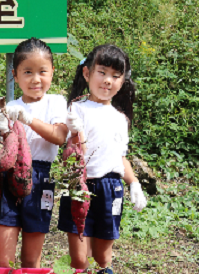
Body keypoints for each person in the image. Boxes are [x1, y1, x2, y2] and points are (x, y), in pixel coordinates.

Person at [58, 44, 148, 274]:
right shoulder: (76, 109)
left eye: (115, 76)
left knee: (102, 255)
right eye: (102, 72)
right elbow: (74, 152)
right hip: (80, 185)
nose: (108, 80)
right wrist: (76, 133)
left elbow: (120, 157)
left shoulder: (120, 119)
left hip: (111, 187)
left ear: (122, 82)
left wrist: (134, 184)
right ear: (87, 73)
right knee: (79, 257)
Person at [0, 38, 68, 268]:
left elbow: (59, 136)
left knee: (31, 259)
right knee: (3, 260)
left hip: (40, 178)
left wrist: (29, 120)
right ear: (15, 74)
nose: (36, 79)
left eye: (42, 71)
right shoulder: (11, 107)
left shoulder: (55, 102)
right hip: (9, 177)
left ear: (52, 71)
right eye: (28, 72)